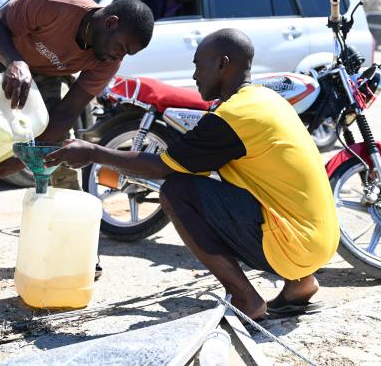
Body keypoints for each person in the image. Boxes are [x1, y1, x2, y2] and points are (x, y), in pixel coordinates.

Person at [44, 28, 340, 320]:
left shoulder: (235, 116)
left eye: (199, 65)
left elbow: (163, 167)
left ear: (223, 64)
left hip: (295, 245)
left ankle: (246, 299)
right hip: (321, 240)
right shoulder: (266, 99)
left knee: (177, 192)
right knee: (216, 189)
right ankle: (300, 285)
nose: (195, 75)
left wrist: (94, 153)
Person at [0, 0, 154, 276]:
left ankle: (74, 246)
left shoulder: (105, 61)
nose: (118, 58)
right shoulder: (54, 1)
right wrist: (15, 62)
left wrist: (23, 157)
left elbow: (67, 112)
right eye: (121, 48)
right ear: (110, 23)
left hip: (46, 76)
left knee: (62, 153)